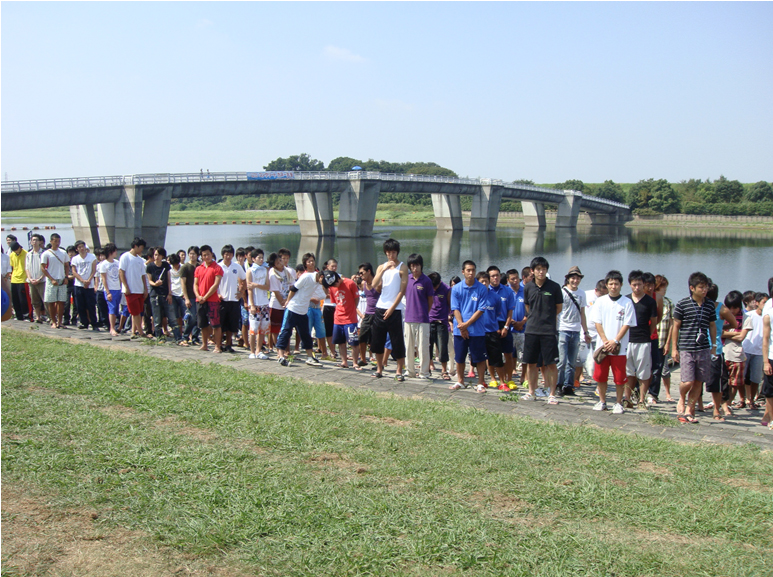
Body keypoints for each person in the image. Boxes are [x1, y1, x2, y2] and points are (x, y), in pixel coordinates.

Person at [671, 272, 717, 424]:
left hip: (703, 347)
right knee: (688, 381)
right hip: (687, 347)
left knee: (699, 381)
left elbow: (712, 325)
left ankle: (689, 410)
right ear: (692, 288)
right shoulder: (683, 304)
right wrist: (674, 348)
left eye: (706, 287)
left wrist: (714, 346)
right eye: (701, 287)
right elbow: (675, 326)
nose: (704, 290)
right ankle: (682, 398)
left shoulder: (709, 304)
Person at [590, 270, 637, 413]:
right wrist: (605, 341)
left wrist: (615, 340)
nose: (614, 286)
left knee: (619, 377)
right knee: (601, 376)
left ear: (621, 285)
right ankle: (602, 401)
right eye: (611, 284)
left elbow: (627, 324)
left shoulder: (627, 303)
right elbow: (597, 322)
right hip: (602, 347)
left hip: (619, 347)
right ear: (606, 285)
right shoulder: (600, 301)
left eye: (616, 284)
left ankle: (618, 402)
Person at [521, 256, 562, 404]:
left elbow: (558, 308)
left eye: (543, 269)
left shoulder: (554, 287)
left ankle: (551, 393)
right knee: (531, 363)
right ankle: (531, 392)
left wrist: (546, 318)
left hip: (548, 330)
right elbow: (527, 307)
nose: (541, 272)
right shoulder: (528, 287)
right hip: (532, 329)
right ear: (532, 271)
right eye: (538, 269)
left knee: (551, 363)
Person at [369, 238, 409, 381]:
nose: (391, 255)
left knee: (397, 340)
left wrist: (392, 308)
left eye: (393, 252)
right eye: (388, 252)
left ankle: (399, 370)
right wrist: (384, 269)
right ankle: (379, 368)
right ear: (385, 253)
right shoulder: (381, 267)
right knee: (377, 341)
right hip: (380, 307)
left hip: (395, 308)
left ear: (397, 252)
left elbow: (402, 291)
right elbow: (373, 285)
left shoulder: (403, 268)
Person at [274, 258, 324, 368]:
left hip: (303, 311)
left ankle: (310, 357)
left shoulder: (318, 279)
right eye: (309, 261)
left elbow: (324, 292)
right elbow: (294, 289)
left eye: (313, 261)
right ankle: (280, 355)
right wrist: (287, 301)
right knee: (286, 331)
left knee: (306, 334)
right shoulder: (306, 277)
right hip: (293, 308)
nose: (311, 263)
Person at [449, 260, 489, 393]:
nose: (471, 273)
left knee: (479, 358)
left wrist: (467, 325)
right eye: (468, 270)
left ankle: (480, 382)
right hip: (460, 330)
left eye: (473, 270)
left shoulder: (482, 288)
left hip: (477, 330)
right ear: (463, 272)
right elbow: (455, 309)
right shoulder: (456, 288)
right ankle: (460, 381)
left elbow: (481, 309)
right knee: (460, 357)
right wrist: (462, 327)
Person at [624, 270, 658, 409]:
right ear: (630, 285)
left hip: (643, 341)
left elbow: (654, 322)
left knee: (644, 372)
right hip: (628, 340)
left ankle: (642, 400)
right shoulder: (625, 300)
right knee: (628, 372)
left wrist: (647, 336)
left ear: (643, 284)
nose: (636, 288)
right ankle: (627, 398)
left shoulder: (650, 302)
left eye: (639, 284)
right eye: (634, 285)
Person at [556, 266, 590, 397]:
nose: (575, 280)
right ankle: (559, 385)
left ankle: (568, 386)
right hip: (563, 329)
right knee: (562, 361)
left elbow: (582, 313)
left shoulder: (582, 293)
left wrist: (585, 332)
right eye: (573, 278)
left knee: (572, 361)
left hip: (576, 330)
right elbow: (557, 311)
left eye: (577, 278)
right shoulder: (562, 292)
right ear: (568, 279)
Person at [403, 253, 434, 379]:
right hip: (408, 318)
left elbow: (430, 300)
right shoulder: (407, 279)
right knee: (409, 347)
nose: (414, 268)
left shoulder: (426, 281)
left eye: (417, 265)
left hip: (423, 319)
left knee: (423, 347)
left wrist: (424, 312)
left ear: (421, 266)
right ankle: (410, 371)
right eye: (412, 266)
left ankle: (424, 372)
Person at [323, 269, 362, 368]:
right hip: (338, 318)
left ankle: (355, 362)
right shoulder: (332, 287)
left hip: (350, 318)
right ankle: (344, 361)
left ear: (338, 278)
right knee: (340, 342)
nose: (335, 286)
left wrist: (353, 308)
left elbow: (356, 298)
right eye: (332, 285)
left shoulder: (350, 283)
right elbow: (335, 301)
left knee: (353, 342)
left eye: (335, 283)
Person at [477, 271, 508, 390]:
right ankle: (484, 381)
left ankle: (502, 382)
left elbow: (498, 313)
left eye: (486, 281)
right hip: (479, 332)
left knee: (496, 358)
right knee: (481, 359)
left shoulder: (495, 297)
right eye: (482, 281)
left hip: (492, 332)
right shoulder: (476, 295)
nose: (484, 283)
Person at [487, 266, 516, 390]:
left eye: (497, 275)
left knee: (508, 354)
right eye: (493, 276)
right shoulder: (485, 291)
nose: (495, 278)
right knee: (491, 354)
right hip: (491, 326)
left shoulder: (507, 291)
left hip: (504, 324)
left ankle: (509, 379)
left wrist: (506, 327)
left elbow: (510, 312)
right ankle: (493, 378)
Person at [722, 290, 752, 409]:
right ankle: (722, 402)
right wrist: (731, 334)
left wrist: (725, 333)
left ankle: (729, 403)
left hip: (737, 355)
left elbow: (741, 337)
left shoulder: (746, 318)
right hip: (723, 352)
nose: (732, 310)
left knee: (734, 383)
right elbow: (717, 333)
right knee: (723, 381)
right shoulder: (723, 315)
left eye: (734, 308)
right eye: (729, 307)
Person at [147, 247, 183, 343]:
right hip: (155, 295)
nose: (156, 257)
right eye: (155, 255)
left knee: (172, 318)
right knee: (157, 317)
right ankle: (159, 337)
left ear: (162, 256)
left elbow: (168, 280)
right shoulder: (150, 266)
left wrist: (169, 293)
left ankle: (178, 338)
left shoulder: (166, 265)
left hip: (165, 294)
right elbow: (149, 280)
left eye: (158, 255)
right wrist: (155, 284)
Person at [194, 245, 224, 353]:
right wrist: (198, 295)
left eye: (208, 254)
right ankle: (204, 344)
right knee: (203, 324)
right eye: (203, 255)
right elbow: (195, 284)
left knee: (215, 324)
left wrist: (205, 297)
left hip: (212, 300)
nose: (206, 257)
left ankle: (217, 346)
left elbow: (216, 285)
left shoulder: (217, 268)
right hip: (200, 300)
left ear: (212, 254)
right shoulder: (198, 268)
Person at [119, 237, 150, 338]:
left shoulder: (140, 260)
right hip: (130, 290)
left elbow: (143, 275)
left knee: (138, 312)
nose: (142, 250)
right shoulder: (125, 257)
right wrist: (126, 287)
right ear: (135, 246)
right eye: (141, 248)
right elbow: (121, 272)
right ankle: (141, 332)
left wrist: (145, 289)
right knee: (135, 312)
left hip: (139, 289)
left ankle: (134, 331)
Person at [217, 244, 246, 353]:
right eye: (225, 254)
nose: (228, 256)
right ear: (222, 255)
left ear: (232, 255)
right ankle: (219, 344)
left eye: (229, 254)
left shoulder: (237, 267)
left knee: (231, 324)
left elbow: (244, 279)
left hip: (234, 300)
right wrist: (217, 294)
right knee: (220, 324)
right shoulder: (218, 266)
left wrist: (241, 292)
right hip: (221, 300)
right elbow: (214, 283)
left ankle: (228, 344)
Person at [40, 233, 71, 329]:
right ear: (51, 241)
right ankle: (53, 321)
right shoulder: (46, 253)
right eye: (55, 241)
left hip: (61, 279)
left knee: (61, 301)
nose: (57, 243)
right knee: (51, 301)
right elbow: (43, 268)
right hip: (51, 280)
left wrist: (66, 277)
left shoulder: (63, 252)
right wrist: (51, 279)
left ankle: (60, 321)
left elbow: (66, 265)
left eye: (58, 241)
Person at [652, 275, 674, 402]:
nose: (664, 290)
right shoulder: (649, 300)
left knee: (658, 369)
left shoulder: (669, 303)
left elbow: (672, 324)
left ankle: (654, 394)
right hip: (650, 338)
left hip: (661, 340)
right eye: (662, 287)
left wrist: (668, 343)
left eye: (665, 287)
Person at [742, 292, 765, 409]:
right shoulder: (749, 315)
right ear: (757, 303)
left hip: (760, 351)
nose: (765, 305)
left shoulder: (768, 316)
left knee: (756, 378)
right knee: (743, 376)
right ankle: (743, 398)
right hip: (746, 348)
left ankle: (751, 400)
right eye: (763, 302)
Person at [246, 248, 271, 360]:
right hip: (255, 303)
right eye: (258, 258)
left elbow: (267, 286)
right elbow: (249, 288)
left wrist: (256, 285)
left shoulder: (265, 270)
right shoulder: (250, 271)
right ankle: (252, 351)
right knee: (253, 328)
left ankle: (258, 350)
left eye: (262, 257)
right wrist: (252, 305)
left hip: (264, 303)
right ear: (253, 259)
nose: (261, 259)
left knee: (262, 328)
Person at [268, 251, 295, 352]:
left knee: (286, 328)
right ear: (274, 264)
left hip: (288, 302)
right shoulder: (272, 274)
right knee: (275, 329)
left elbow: (292, 285)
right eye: (278, 262)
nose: (281, 262)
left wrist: (288, 300)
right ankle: (279, 349)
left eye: (280, 260)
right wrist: (283, 302)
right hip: (276, 304)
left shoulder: (287, 271)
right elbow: (276, 292)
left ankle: (287, 349)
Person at [428, 271, 451, 381]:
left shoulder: (446, 289)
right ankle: (428, 366)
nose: (435, 289)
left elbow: (450, 305)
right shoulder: (428, 287)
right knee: (428, 345)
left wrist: (449, 317)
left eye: (436, 286)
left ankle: (444, 370)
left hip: (441, 322)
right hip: (429, 320)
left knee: (442, 347)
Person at [507, 269, 527, 387]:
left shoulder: (525, 291)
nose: (515, 281)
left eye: (517, 278)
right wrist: (512, 321)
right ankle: (509, 375)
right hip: (510, 328)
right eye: (512, 279)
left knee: (524, 355)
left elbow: (530, 309)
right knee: (509, 354)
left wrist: (522, 322)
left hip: (523, 328)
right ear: (508, 280)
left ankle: (523, 376)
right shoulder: (506, 292)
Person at [357, 262, 380, 366]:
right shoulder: (363, 284)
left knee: (378, 339)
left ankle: (380, 362)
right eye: (359, 273)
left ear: (369, 271)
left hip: (378, 313)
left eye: (362, 273)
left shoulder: (378, 282)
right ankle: (363, 359)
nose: (360, 275)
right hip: (367, 313)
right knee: (362, 336)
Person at [98, 243, 122, 336]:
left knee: (117, 309)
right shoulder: (104, 264)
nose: (116, 252)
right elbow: (103, 279)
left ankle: (116, 326)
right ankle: (112, 328)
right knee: (112, 309)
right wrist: (107, 292)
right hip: (110, 289)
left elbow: (120, 276)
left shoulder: (117, 262)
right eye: (115, 251)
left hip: (118, 288)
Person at [180, 246, 201, 345]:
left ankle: (195, 338)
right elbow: (183, 283)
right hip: (190, 296)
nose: (192, 256)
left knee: (199, 317)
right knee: (192, 317)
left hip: (199, 295)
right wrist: (186, 298)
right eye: (190, 254)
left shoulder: (200, 266)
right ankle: (185, 336)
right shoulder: (185, 267)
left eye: (194, 254)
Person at [25, 233, 47, 323]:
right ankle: (37, 317)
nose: (34, 242)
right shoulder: (28, 254)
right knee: (35, 301)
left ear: (40, 242)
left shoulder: (43, 253)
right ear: (31, 242)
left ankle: (50, 317)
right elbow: (27, 268)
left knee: (45, 300)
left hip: (42, 280)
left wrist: (40, 278)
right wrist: (30, 278)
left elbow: (46, 268)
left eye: (36, 240)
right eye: (33, 240)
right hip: (31, 280)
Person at [761, 279, 773, 429]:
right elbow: (765, 338)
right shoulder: (769, 309)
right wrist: (765, 361)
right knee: (770, 390)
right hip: (771, 354)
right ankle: (769, 414)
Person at [8, 241, 30, 321]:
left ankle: (26, 315)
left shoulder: (26, 254)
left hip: (23, 279)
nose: (16, 251)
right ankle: (18, 315)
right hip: (14, 279)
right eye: (14, 250)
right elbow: (12, 267)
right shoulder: (12, 255)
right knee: (15, 299)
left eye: (17, 250)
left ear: (20, 247)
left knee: (23, 299)